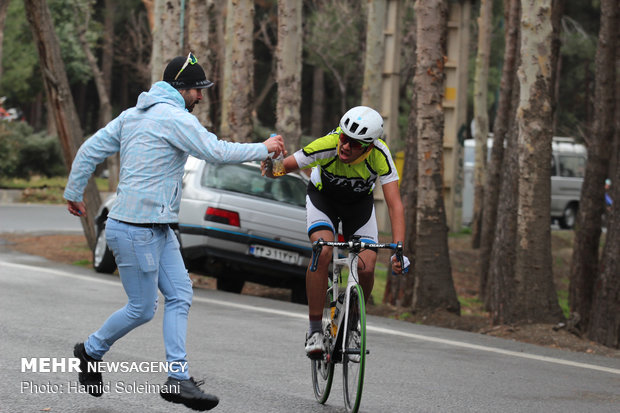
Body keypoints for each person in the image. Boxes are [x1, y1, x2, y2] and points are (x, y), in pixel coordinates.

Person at [64, 52, 285, 411]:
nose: (200, 96)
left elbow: (89, 149)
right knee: (142, 309)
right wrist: (265, 147)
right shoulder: (174, 118)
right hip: (135, 229)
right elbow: (215, 150)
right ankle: (88, 352)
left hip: (158, 228)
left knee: (181, 295)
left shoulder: (131, 116)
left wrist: (74, 192)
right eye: (198, 89)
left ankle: (177, 379)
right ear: (182, 88)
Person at [262, 106, 409, 357]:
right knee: (324, 251)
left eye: (354, 144)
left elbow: (395, 204)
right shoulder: (327, 144)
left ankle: (352, 325)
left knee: (367, 266)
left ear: (369, 147)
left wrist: (398, 248)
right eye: (344, 138)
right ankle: (314, 330)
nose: (345, 146)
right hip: (324, 201)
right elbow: (281, 168)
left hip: (358, 207)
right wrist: (269, 164)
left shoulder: (381, 156)